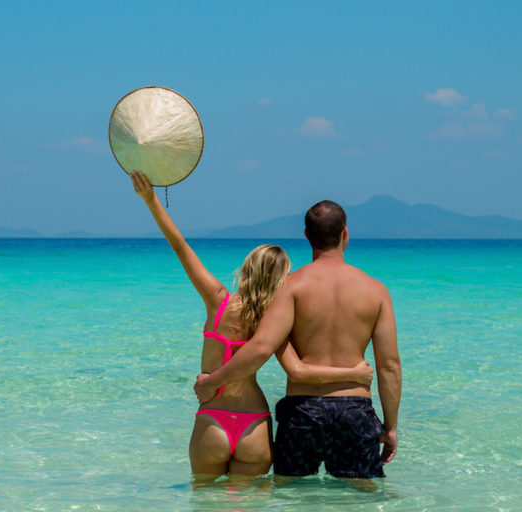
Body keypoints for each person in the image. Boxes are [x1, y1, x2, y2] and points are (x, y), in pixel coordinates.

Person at [129, 173, 374, 479]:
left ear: (246, 267)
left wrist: (151, 200)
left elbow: (180, 246)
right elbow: (298, 370)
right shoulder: (274, 322)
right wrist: (354, 373)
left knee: (204, 500)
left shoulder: (218, 301)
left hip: (212, 417)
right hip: (254, 423)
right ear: (281, 280)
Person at [194, 200, 401, 479]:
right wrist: (390, 427)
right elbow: (389, 366)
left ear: (307, 236)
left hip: (303, 413)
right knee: (361, 499)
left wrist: (213, 381)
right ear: (345, 234)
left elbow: (261, 348)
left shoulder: (290, 287)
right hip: (355, 409)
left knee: (292, 495)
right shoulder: (377, 291)